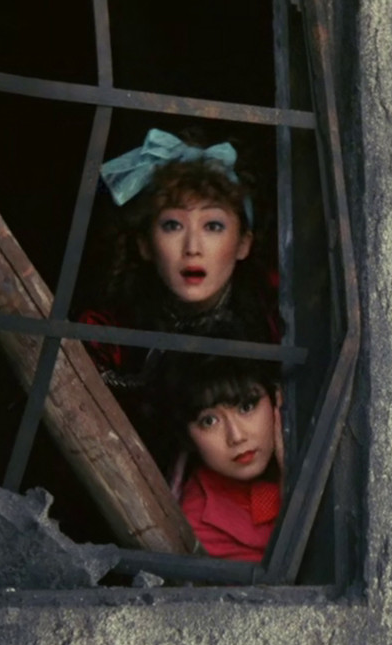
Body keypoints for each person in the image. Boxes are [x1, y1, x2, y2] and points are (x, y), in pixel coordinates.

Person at [79, 128, 278, 468]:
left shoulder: (274, 317)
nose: (192, 247)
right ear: (145, 245)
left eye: (213, 226)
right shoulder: (110, 333)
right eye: (172, 226)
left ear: (243, 243)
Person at [155, 353, 284, 563]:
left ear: (277, 399)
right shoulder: (199, 527)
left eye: (246, 407)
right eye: (209, 421)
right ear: (187, 436)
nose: (236, 437)